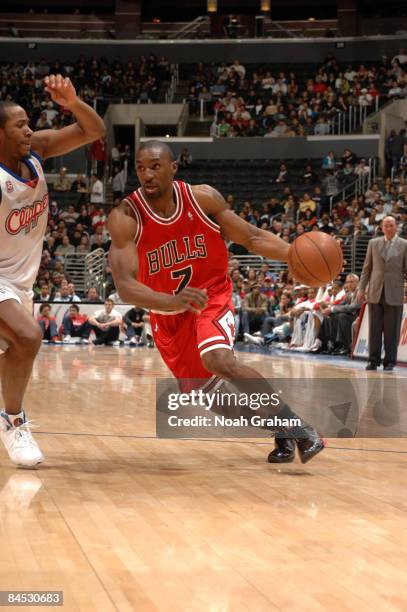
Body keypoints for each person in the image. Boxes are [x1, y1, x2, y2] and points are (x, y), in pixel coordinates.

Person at [108, 140, 324, 465]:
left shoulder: (202, 198)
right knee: (208, 397)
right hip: (168, 315)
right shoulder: (126, 217)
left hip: (211, 295)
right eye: (140, 167)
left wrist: (294, 255)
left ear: (173, 167)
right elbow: (125, 287)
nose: (147, 174)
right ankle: (279, 427)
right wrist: (170, 300)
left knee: (218, 360)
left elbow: (251, 237)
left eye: (155, 166)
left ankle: (298, 425)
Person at [0, 75, 105, 467]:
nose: (29, 129)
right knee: (28, 337)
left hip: (19, 283)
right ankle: (13, 422)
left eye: (29, 122)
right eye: (20, 125)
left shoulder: (37, 151)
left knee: (19, 346)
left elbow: (94, 130)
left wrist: (73, 103)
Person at [358, 216, 407, 371]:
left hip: (395, 292)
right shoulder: (373, 243)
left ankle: (389, 361)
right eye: (386, 225)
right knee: (374, 328)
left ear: (396, 227)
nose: (389, 228)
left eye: (391, 225)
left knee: (392, 330)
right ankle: (373, 360)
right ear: (381, 227)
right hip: (375, 291)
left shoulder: (404, 245)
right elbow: (367, 269)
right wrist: (361, 288)